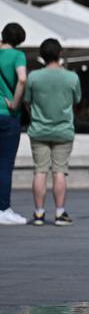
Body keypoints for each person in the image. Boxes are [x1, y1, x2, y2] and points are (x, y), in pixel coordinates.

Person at [23, 39, 81, 227]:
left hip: (39, 129)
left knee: (40, 171)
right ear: (60, 53)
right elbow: (77, 99)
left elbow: (27, 100)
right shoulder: (71, 77)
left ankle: (39, 213)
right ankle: (59, 213)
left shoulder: (33, 77)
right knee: (59, 172)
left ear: (42, 56)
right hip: (63, 130)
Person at [0, 23, 28, 225]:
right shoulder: (18, 56)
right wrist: (15, 102)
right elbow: (22, 79)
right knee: (5, 164)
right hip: (8, 115)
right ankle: (3, 208)